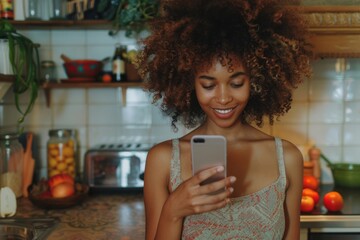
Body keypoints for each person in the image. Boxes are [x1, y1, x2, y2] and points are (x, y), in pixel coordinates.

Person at [138, 0, 312, 239]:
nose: (223, 98)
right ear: (190, 84)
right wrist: (173, 210)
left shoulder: (288, 158)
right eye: (208, 85)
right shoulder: (163, 160)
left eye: (237, 83)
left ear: (257, 80)